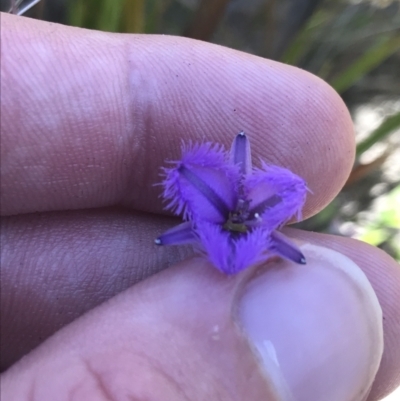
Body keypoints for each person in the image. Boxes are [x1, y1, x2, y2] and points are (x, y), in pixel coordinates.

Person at [1, 12, 399, 401]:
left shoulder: (262, 204)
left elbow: (271, 203)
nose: (241, 219)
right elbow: (212, 202)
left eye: (243, 220)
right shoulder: (222, 203)